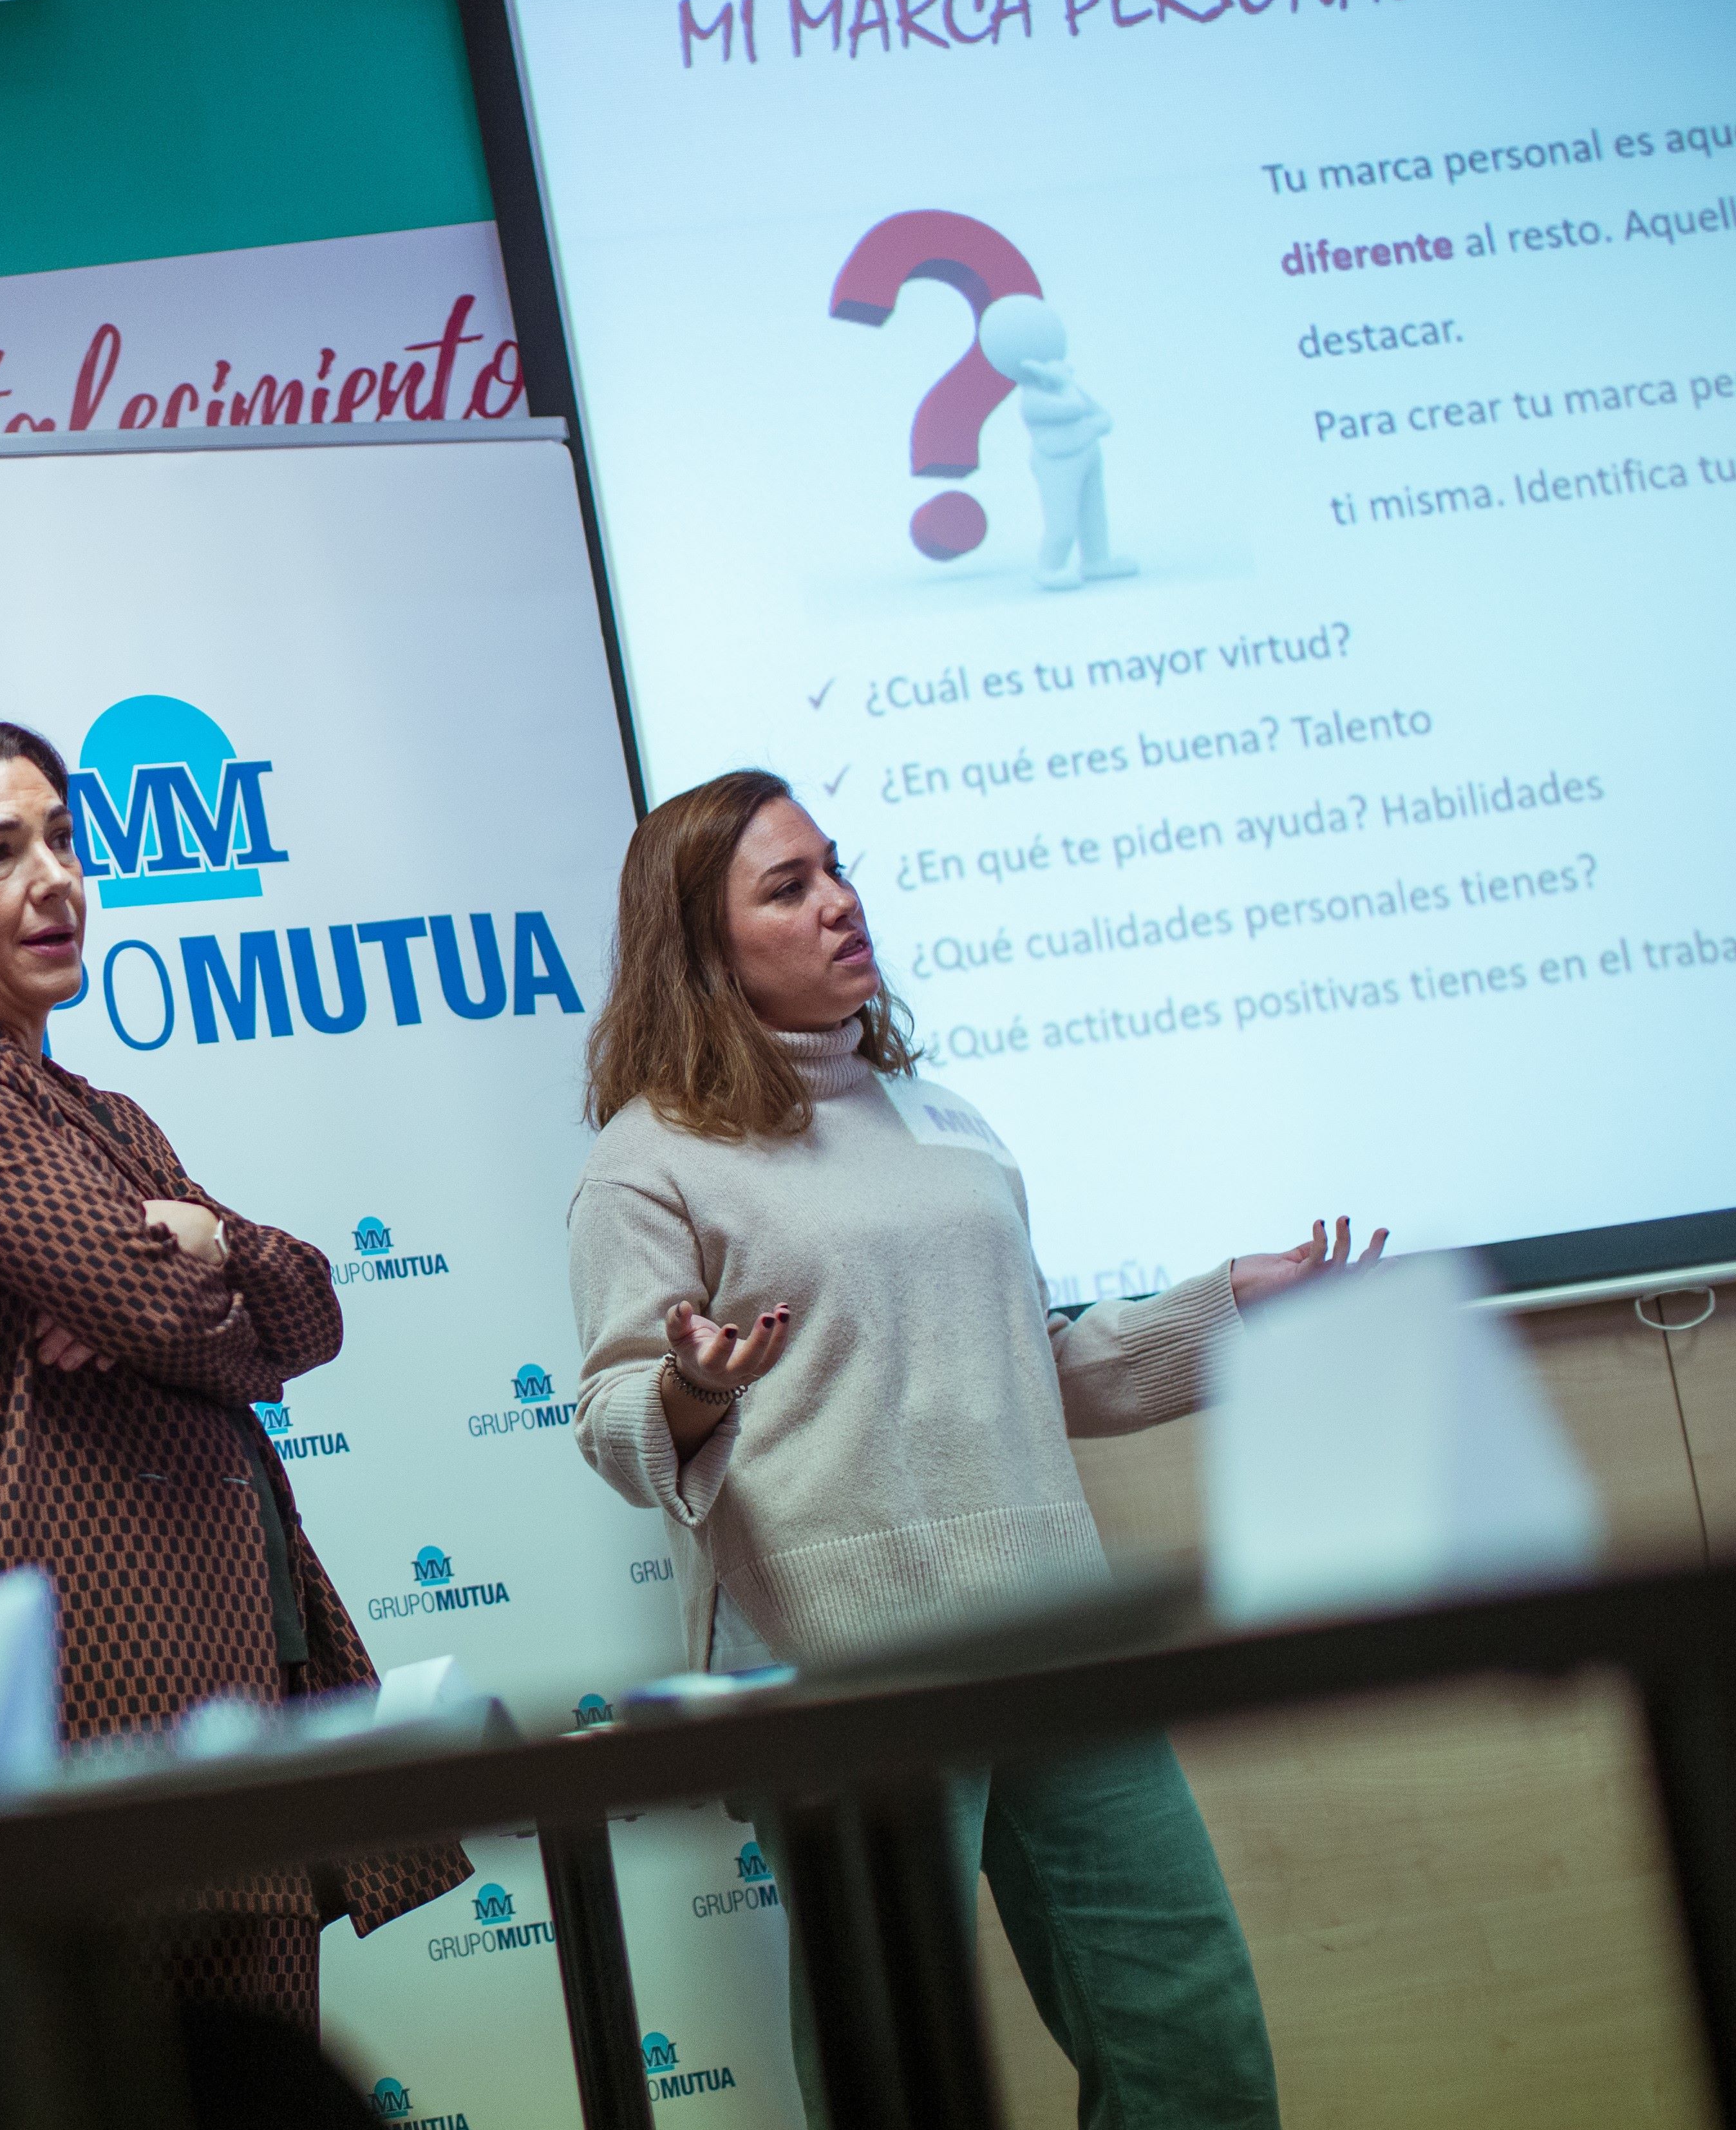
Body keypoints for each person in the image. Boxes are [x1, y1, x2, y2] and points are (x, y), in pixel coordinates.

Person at [565, 768, 1383, 2129]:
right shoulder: (648, 1160)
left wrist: (1228, 1309)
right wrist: (693, 1388)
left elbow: (1031, 1364)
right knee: (896, 2071)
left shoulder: (940, 1117)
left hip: (1050, 1628)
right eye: (789, 887)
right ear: (703, 948)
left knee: (1193, 2043)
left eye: (836, 867)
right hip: (844, 1664)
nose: (841, 902)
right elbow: (611, 1415)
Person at [0, 721, 467, 2030]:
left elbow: (311, 1308)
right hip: (100, 1690)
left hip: (224, 1662)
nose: (55, 879)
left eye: (62, 839)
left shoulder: (103, 1113)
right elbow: (159, 1308)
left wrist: (209, 1241)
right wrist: (164, 1287)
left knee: (259, 2075)